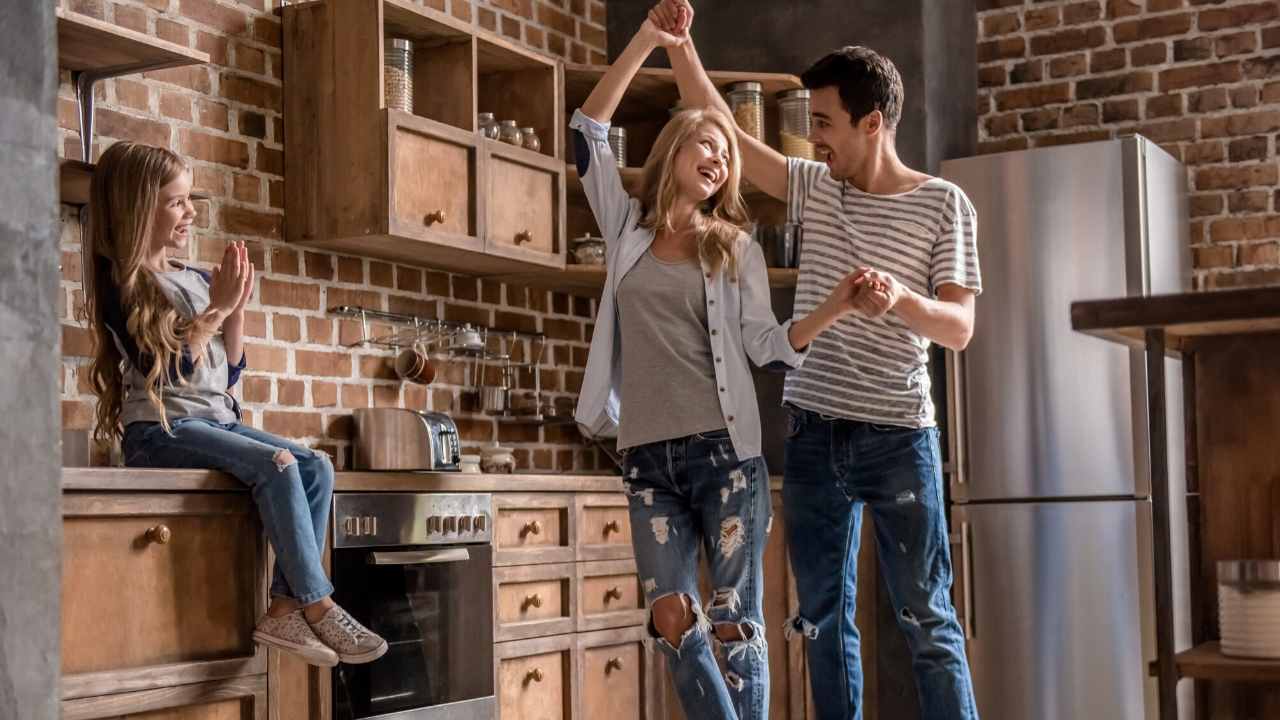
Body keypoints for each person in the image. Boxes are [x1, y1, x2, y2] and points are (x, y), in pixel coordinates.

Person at [651, 2, 983, 718]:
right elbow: (727, 128)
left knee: (928, 620)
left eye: (825, 122)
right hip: (813, 434)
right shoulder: (815, 187)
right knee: (823, 622)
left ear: (873, 124)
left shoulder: (943, 206)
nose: (814, 138)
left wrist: (897, 300)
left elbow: (958, 328)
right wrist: (681, 45)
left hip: (899, 435)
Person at [572, 15, 867, 720]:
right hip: (646, 458)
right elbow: (587, 128)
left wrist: (834, 307)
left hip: (725, 456)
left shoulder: (733, 248)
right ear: (675, 147)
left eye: (728, 157)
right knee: (673, 617)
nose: (720, 161)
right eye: (709, 144)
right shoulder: (626, 231)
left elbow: (767, 342)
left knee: (735, 624)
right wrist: (648, 38)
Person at [82, 141, 387, 669]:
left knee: (316, 466)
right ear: (138, 207)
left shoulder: (197, 279)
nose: (191, 212)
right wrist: (218, 309)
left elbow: (227, 373)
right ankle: (318, 604)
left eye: (188, 200)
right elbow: (171, 372)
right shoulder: (123, 285)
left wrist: (235, 310)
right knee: (279, 464)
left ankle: (285, 608)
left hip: (212, 418)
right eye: (177, 202)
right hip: (160, 431)